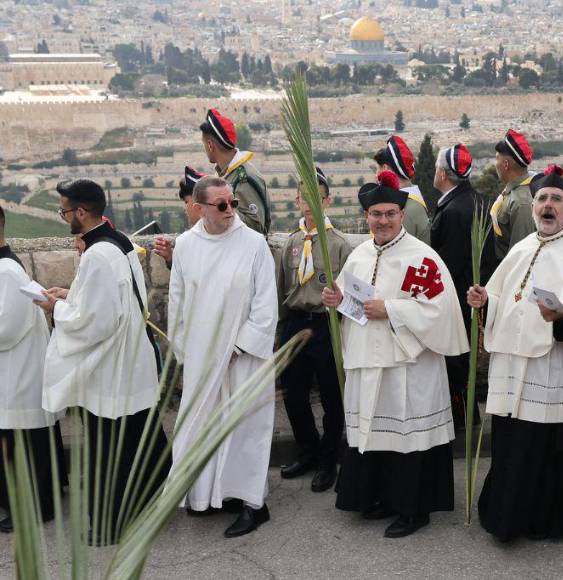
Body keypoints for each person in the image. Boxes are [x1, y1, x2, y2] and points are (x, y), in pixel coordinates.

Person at [468, 164, 563, 542]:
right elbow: (505, 296)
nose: (548, 206)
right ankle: (505, 519)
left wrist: (561, 319)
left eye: (556, 199)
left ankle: (548, 524)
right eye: (542, 199)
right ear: (533, 205)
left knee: (544, 450)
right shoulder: (523, 246)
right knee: (511, 446)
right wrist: (486, 299)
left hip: (554, 369)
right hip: (513, 368)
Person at [322, 170, 468, 538]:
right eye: (376, 215)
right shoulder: (358, 254)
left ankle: (413, 509)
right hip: (369, 363)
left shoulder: (423, 258)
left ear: (402, 216)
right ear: (366, 217)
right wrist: (336, 301)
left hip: (409, 366)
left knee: (408, 438)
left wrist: (391, 309)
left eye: (389, 214)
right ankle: (383, 498)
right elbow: (352, 305)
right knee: (378, 435)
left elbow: (441, 313)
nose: (382, 220)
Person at [38, 179, 169, 545]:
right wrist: (73, 294)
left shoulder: (96, 255)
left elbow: (92, 322)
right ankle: (150, 506)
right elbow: (117, 299)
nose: (63, 217)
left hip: (110, 366)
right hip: (132, 357)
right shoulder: (120, 240)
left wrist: (57, 307)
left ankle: (111, 525)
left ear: (81, 212)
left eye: (64, 210)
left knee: (108, 450)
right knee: (135, 437)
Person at [168, 175, 278, 537]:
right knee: (204, 426)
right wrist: (186, 351)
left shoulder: (254, 245)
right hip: (202, 357)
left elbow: (265, 304)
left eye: (232, 202)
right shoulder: (185, 246)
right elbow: (178, 303)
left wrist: (240, 345)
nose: (231, 210)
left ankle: (252, 503)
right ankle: (211, 495)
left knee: (246, 427)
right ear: (200, 208)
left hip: (243, 356)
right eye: (221, 205)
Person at [277, 167, 351, 492]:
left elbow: (349, 295)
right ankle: (307, 450)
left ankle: (328, 457)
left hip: (325, 324)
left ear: (328, 201)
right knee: (294, 394)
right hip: (295, 323)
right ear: (296, 200)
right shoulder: (289, 244)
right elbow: (281, 291)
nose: (309, 203)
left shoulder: (339, 246)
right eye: (304, 197)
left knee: (332, 395)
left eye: (316, 198)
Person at [0, 205, 68, 533]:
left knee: (24, 444)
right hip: (14, 372)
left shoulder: (6, 272)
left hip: (18, 373)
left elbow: (7, 329)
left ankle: (35, 508)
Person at [430, 144, 485, 428]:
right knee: (464, 361)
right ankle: (467, 415)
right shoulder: (475, 200)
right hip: (471, 294)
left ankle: (461, 419)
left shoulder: (452, 211)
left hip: (456, 299)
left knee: (455, 362)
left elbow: (447, 264)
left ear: (442, 173)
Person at [200, 108, 271, 235]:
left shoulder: (244, 178)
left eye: (204, 144)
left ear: (210, 145)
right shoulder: (223, 174)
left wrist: (220, 208)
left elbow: (256, 227)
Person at [481, 129, 536, 279]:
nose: (495, 163)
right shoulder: (513, 190)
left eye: (497, 158)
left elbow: (521, 255)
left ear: (506, 164)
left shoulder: (521, 202)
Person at [374, 135, 430, 243]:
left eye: (377, 169)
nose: (375, 175)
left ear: (385, 169)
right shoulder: (411, 202)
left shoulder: (404, 208)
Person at [153, 166, 205, 268]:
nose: (185, 208)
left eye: (186, 202)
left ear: (198, 202)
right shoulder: (188, 240)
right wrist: (170, 257)